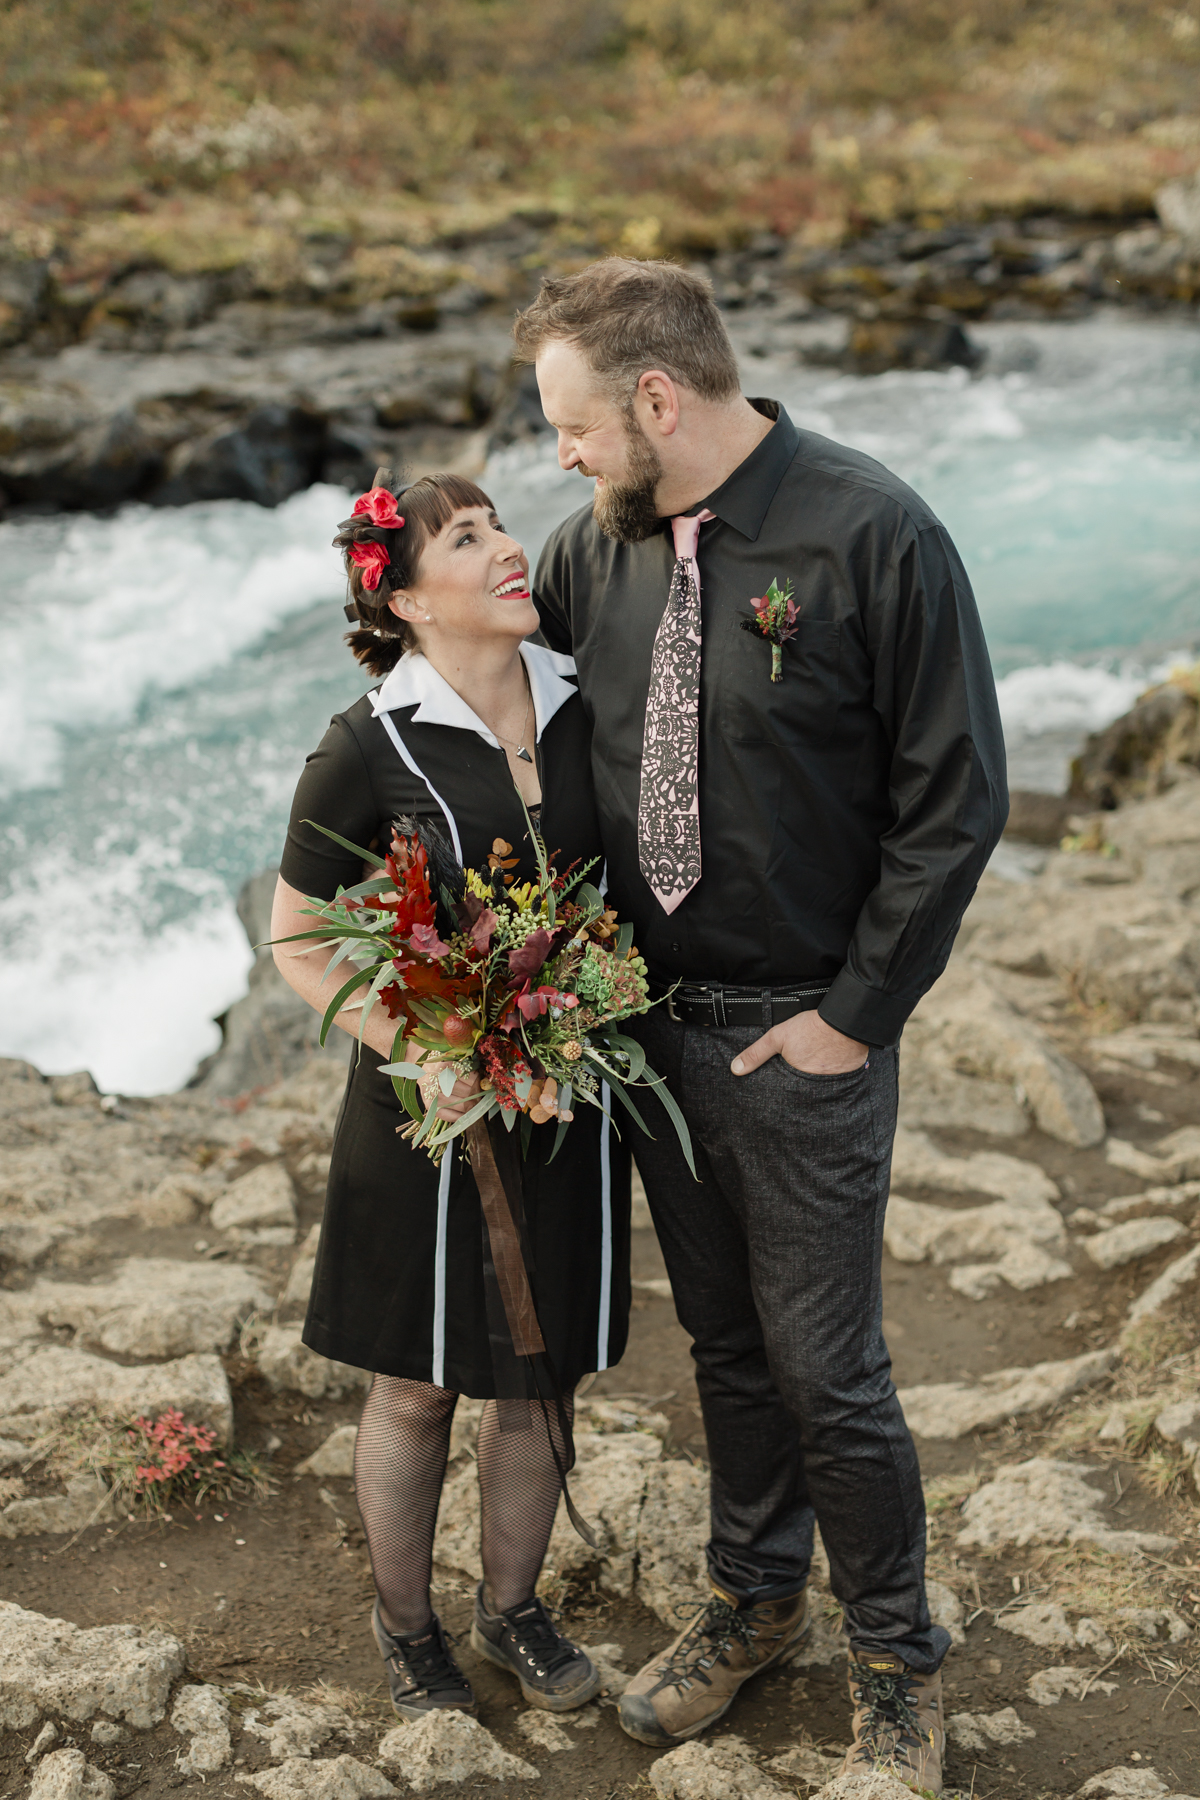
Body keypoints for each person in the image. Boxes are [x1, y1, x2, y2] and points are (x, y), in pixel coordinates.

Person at [513, 259, 1008, 1794]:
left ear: (659, 399)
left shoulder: (874, 532)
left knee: (827, 1367)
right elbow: (529, 743)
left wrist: (854, 1021)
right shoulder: (591, 555)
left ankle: (897, 1665)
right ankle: (753, 1603)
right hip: (653, 1041)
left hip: (803, 1043)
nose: (565, 455)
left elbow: (956, 801)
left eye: (577, 424)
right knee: (723, 1346)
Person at [271, 470, 631, 1721]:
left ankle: (515, 1609)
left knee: (538, 1378)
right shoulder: (365, 743)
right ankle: (410, 1629)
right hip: (428, 1118)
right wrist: (412, 1042)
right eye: (468, 539)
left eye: (500, 527)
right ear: (411, 599)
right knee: (417, 1383)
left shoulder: (589, 697)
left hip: (571, 1101)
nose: (508, 550)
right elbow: (297, 941)